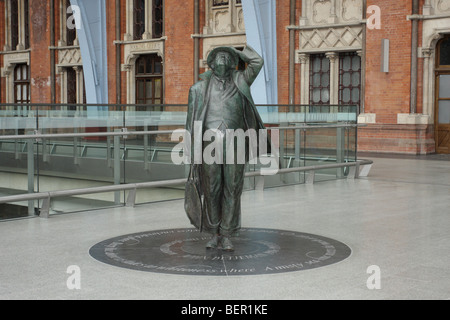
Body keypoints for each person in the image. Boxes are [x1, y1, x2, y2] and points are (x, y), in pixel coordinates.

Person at [185, 45, 265, 251]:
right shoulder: (197, 89)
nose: (222, 60)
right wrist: (192, 154)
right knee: (212, 190)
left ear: (232, 63)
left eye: (226, 58)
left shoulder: (241, 80)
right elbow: (191, 124)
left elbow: (258, 62)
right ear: (211, 64)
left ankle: (227, 233)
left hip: (235, 141)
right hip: (208, 144)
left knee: (233, 188)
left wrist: (236, 52)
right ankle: (214, 233)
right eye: (218, 57)